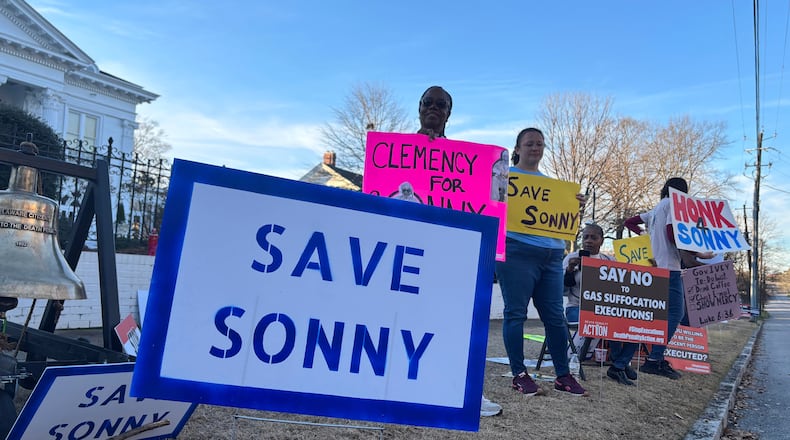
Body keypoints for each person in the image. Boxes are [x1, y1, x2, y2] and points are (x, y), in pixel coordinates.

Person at [416, 85, 502, 416]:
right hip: (407, 253)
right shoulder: (394, 153)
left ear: (449, 113)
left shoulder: (465, 163)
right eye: (428, 103)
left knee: (454, 324)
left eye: (441, 105)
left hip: (446, 255)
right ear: (419, 108)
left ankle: (465, 392)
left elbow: (487, 203)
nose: (434, 108)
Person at [495, 127, 589, 397]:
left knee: (555, 318)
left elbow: (564, 222)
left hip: (551, 254)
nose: (535, 148)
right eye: (529, 144)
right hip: (516, 251)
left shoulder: (553, 186)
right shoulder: (506, 178)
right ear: (517, 148)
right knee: (516, 313)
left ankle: (563, 375)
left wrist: (574, 207)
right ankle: (520, 374)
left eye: (539, 144)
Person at [624, 177, 713, 380]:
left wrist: (646, 239)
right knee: (675, 313)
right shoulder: (674, 204)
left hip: (656, 269)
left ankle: (648, 357)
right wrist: (698, 253)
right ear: (682, 192)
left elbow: (629, 222)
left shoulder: (655, 210)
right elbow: (673, 233)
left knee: (655, 315)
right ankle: (655, 359)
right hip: (669, 269)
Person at [563, 223, 640, 386]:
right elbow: (561, 290)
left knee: (636, 326)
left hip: (605, 310)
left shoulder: (609, 260)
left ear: (601, 240)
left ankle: (619, 364)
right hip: (576, 308)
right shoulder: (571, 258)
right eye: (585, 237)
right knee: (604, 320)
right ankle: (621, 364)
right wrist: (570, 271)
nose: (588, 241)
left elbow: (620, 287)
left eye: (593, 237)